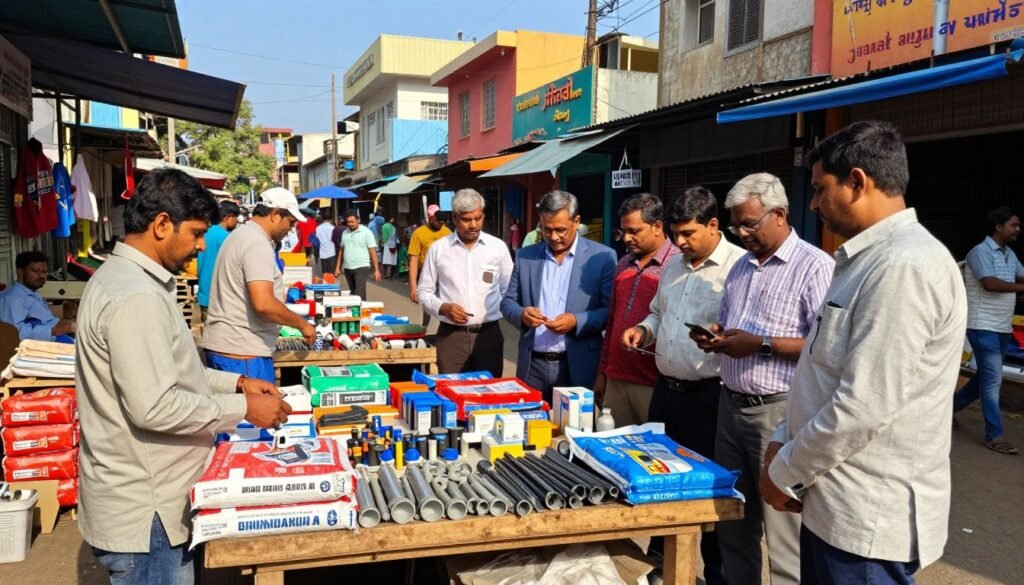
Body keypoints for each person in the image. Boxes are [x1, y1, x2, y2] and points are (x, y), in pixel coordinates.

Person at [761, 121, 968, 585]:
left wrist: (784, 469)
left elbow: (863, 405)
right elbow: (820, 370)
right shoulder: (864, 261)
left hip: (865, 521)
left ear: (857, 182)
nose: (813, 205)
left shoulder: (903, 266)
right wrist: (783, 435)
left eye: (819, 189)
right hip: (831, 503)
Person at [75, 168, 290, 585]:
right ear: (160, 225)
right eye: (194, 234)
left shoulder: (135, 282)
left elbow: (170, 369)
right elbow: (155, 406)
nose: (198, 246)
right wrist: (244, 407)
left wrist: (237, 384)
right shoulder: (135, 296)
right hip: (146, 509)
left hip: (143, 497)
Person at [693, 172, 833, 585]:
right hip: (730, 406)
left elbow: (823, 346)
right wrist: (718, 336)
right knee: (733, 520)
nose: (742, 232)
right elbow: (735, 323)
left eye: (749, 224)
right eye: (737, 224)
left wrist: (761, 345)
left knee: (783, 530)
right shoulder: (740, 267)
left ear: (779, 214)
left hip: (779, 412)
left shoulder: (814, 267)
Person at [621, 187, 746, 585]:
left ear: (713, 225)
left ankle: (715, 575)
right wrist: (644, 329)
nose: (680, 242)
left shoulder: (738, 269)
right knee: (660, 483)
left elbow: (747, 331)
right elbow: (659, 312)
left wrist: (723, 337)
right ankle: (661, 568)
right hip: (666, 395)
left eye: (689, 233)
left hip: (710, 399)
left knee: (709, 494)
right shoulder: (674, 266)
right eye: (675, 233)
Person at [501, 190, 616, 404]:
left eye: (561, 230)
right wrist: (522, 315)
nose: (554, 237)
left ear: (576, 221)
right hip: (532, 366)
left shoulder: (602, 257)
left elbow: (609, 311)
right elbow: (508, 303)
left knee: (574, 433)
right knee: (530, 430)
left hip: (577, 365)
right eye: (547, 230)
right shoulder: (526, 256)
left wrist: (576, 321)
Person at [201, 188, 316, 382]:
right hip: (243, 351)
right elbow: (264, 303)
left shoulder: (242, 235)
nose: (291, 229)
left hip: (233, 347)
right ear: (276, 214)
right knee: (258, 410)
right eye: (290, 222)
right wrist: (302, 324)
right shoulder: (256, 243)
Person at [595, 193, 680, 426]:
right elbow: (611, 322)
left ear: (657, 226)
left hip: (653, 384)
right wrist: (603, 373)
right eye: (623, 231)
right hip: (616, 380)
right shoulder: (623, 265)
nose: (626, 238)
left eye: (634, 231)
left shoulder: (678, 265)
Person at [418, 189, 514, 376]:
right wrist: (443, 307)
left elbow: (509, 289)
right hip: (450, 337)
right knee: (451, 394)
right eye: (466, 219)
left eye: (478, 218)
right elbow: (424, 291)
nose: (473, 225)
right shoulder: (438, 250)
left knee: (488, 396)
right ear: (454, 218)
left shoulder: (497, 248)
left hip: (489, 336)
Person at [953, 206, 1024, 455]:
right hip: (981, 324)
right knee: (993, 379)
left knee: (985, 377)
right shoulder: (979, 252)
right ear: (998, 226)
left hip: (1001, 325)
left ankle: (947, 411)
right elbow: (990, 283)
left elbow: (1021, 277)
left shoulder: (1009, 254)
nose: (1017, 229)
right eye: (1013, 225)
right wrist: (1019, 287)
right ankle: (994, 435)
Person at [0, 251, 75, 342]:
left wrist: (64, 322)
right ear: (20, 272)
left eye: (44, 272)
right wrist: (52, 331)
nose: (41, 276)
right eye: (35, 271)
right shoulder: (13, 298)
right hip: (44, 348)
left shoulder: (31, 293)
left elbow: (43, 321)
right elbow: (13, 333)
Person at [197, 200, 240, 322]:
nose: (236, 221)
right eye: (235, 217)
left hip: (204, 295)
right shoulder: (227, 238)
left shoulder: (203, 233)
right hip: (223, 298)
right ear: (228, 217)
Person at [408, 205, 452, 327]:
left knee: (445, 303)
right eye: (438, 222)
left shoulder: (447, 232)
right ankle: (424, 328)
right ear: (431, 218)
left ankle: (445, 329)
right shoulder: (419, 233)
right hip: (425, 274)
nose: (440, 226)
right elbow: (413, 260)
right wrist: (413, 287)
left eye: (443, 223)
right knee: (427, 304)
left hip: (444, 275)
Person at [335, 208, 381, 300]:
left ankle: (362, 311)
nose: (350, 224)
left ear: (358, 220)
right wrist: (337, 267)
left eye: (352, 222)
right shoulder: (345, 232)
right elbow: (341, 250)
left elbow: (372, 252)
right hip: (348, 268)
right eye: (348, 222)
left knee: (359, 294)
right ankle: (357, 312)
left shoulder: (366, 232)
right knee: (353, 293)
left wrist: (377, 270)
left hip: (361, 267)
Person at [316, 212, 338, 277]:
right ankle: (331, 285)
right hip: (332, 252)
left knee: (325, 273)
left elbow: (316, 240)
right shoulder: (333, 228)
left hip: (322, 253)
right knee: (332, 273)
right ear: (331, 220)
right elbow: (336, 240)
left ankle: (326, 284)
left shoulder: (318, 228)